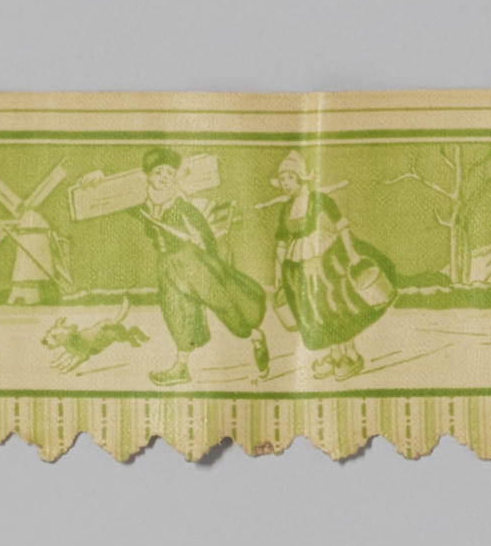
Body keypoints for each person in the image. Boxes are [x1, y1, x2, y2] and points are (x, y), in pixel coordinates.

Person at [127, 149, 271, 386]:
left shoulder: (182, 206)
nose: (164, 177)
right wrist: (95, 184)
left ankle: (254, 336)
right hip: (167, 266)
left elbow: (206, 235)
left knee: (223, 302)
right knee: (176, 311)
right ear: (148, 176)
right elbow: (109, 202)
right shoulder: (144, 206)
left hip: (192, 262)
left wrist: (208, 262)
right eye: (158, 172)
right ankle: (181, 367)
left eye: (169, 173)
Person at [266, 151, 399, 380]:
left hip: (325, 260)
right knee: (318, 312)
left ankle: (350, 355)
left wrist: (353, 255)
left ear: (300, 177)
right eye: (282, 179)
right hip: (299, 266)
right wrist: (278, 274)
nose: (285, 183)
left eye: (289, 177)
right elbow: (280, 243)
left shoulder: (318, 199)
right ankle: (335, 354)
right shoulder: (286, 209)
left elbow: (341, 226)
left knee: (337, 306)